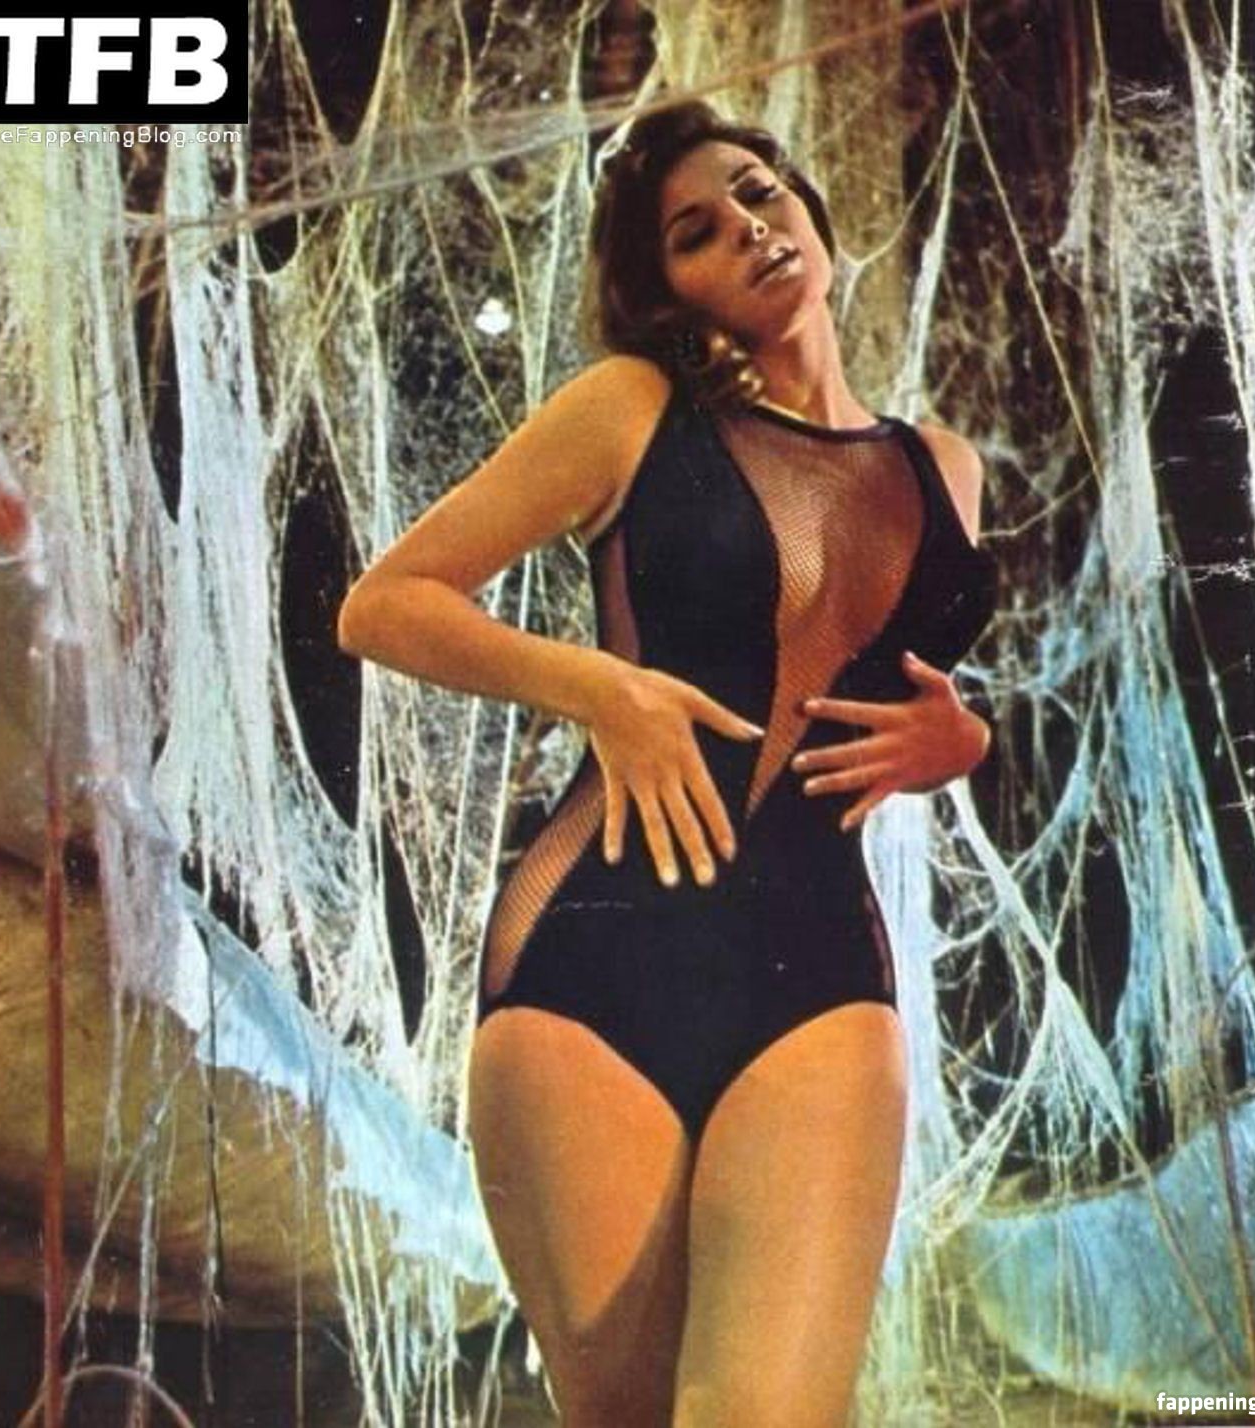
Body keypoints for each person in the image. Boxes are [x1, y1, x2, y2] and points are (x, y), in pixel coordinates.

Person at [338, 99, 998, 1428]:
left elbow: (891, 669)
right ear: (668, 292)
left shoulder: (944, 467)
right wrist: (602, 688)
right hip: (591, 958)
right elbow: (385, 605)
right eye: (697, 232)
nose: (748, 228)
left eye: (759, 191)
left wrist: (966, 739)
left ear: (807, 208)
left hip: (815, 969)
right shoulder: (631, 410)